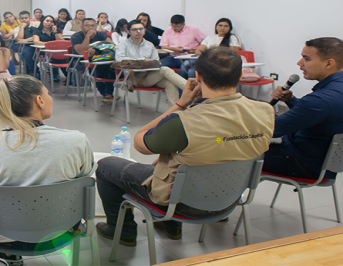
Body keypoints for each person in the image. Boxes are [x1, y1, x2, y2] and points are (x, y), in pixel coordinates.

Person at [96, 47, 274, 243]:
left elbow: (140, 141)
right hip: (230, 198)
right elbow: (222, 143)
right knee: (174, 161)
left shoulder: (184, 121)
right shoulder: (265, 111)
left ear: (197, 76)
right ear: (240, 75)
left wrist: (180, 104)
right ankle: (169, 225)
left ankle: (123, 232)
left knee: (107, 166)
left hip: (182, 203)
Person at [0, 75, 94, 266]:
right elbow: (85, 176)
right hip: (63, 229)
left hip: (0, 234)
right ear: (39, 101)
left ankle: (9, 256)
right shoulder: (77, 140)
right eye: (48, 94)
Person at [265, 37, 343, 181]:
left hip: (302, 163)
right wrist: (291, 100)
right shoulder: (335, 90)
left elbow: (272, 129)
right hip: (326, 165)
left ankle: (223, 200)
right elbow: (315, 114)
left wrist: (245, 112)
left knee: (229, 150)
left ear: (329, 63)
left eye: (306, 59)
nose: (299, 63)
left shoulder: (321, 100)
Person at [116, 20, 187, 107]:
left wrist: (147, 62)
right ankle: (192, 90)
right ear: (128, 31)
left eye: (141, 29)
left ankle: (175, 113)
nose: (138, 31)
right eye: (135, 29)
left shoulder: (149, 45)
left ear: (144, 30)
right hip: (134, 78)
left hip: (151, 76)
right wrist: (143, 60)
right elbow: (120, 60)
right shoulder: (123, 44)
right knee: (165, 69)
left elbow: (157, 62)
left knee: (170, 83)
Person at [71, 18, 116, 104]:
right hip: (81, 62)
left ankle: (108, 94)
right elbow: (81, 52)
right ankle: (106, 94)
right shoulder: (76, 36)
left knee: (111, 69)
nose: (90, 28)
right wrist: (88, 36)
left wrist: (97, 49)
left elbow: (111, 46)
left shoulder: (102, 34)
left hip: (100, 61)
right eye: (87, 25)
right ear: (81, 27)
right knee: (94, 70)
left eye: (93, 25)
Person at [33, 15, 65, 81]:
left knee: (63, 58)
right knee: (51, 56)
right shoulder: (37, 31)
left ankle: (69, 77)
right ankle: (54, 74)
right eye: (47, 21)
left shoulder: (57, 30)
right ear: (42, 22)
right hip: (44, 51)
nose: (49, 23)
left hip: (57, 51)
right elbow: (36, 42)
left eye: (51, 21)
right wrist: (50, 44)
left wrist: (55, 32)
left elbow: (61, 41)